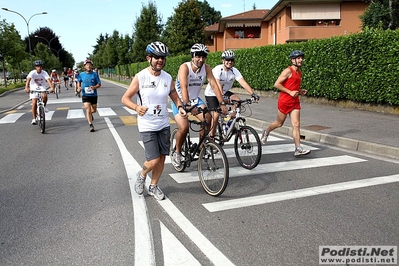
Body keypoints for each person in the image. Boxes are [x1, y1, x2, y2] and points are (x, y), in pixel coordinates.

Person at [121, 41, 187, 201]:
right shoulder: (141, 77)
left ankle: (153, 186)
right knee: (153, 160)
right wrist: (136, 108)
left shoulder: (167, 77)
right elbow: (125, 98)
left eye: (163, 58)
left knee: (163, 158)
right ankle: (142, 174)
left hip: (163, 123)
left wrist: (180, 106)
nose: (160, 61)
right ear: (148, 58)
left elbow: (174, 96)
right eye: (157, 57)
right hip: (147, 125)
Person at [171, 43, 228, 167]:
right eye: (198, 56)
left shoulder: (206, 68)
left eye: (203, 56)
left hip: (195, 99)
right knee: (184, 127)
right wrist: (188, 106)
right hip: (180, 101)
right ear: (193, 56)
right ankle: (177, 152)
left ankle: (202, 146)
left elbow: (214, 85)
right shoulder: (184, 67)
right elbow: (184, 87)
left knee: (208, 118)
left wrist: (222, 103)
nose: (201, 59)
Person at [261, 50, 310, 157]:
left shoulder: (299, 72)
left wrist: (299, 90)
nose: (301, 60)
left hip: (295, 102)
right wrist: (290, 92)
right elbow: (277, 84)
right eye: (298, 58)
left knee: (296, 125)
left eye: (301, 58)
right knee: (279, 123)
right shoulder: (287, 71)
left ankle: (298, 148)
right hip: (285, 101)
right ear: (293, 60)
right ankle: (266, 131)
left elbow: (292, 86)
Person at [204, 49, 260, 138]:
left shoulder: (234, 71)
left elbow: (243, 82)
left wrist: (253, 94)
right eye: (227, 60)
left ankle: (230, 124)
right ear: (223, 60)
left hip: (225, 92)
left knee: (237, 101)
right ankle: (212, 136)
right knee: (216, 115)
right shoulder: (217, 70)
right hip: (212, 94)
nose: (229, 62)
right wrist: (222, 102)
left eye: (232, 60)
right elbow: (218, 85)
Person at [24, 60, 54, 125]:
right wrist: (26, 88)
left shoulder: (44, 73)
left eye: (40, 66)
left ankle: (44, 106)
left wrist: (51, 87)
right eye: (37, 66)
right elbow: (28, 80)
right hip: (33, 88)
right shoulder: (32, 73)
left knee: (45, 96)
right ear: (35, 67)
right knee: (34, 103)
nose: (39, 68)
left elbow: (48, 80)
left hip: (42, 87)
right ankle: (34, 119)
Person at [77, 59, 101, 132]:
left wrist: (94, 87)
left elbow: (99, 84)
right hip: (85, 94)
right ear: (84, 66)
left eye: (90, 65)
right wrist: (78, 88)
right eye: (87, 65)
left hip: (93, 95)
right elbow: (79, 81)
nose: (89, 66)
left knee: (94, 110)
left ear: (92, 66)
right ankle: (91, 125)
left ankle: (90, 114)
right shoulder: (81, 74)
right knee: (87, 108)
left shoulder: (95, 74)